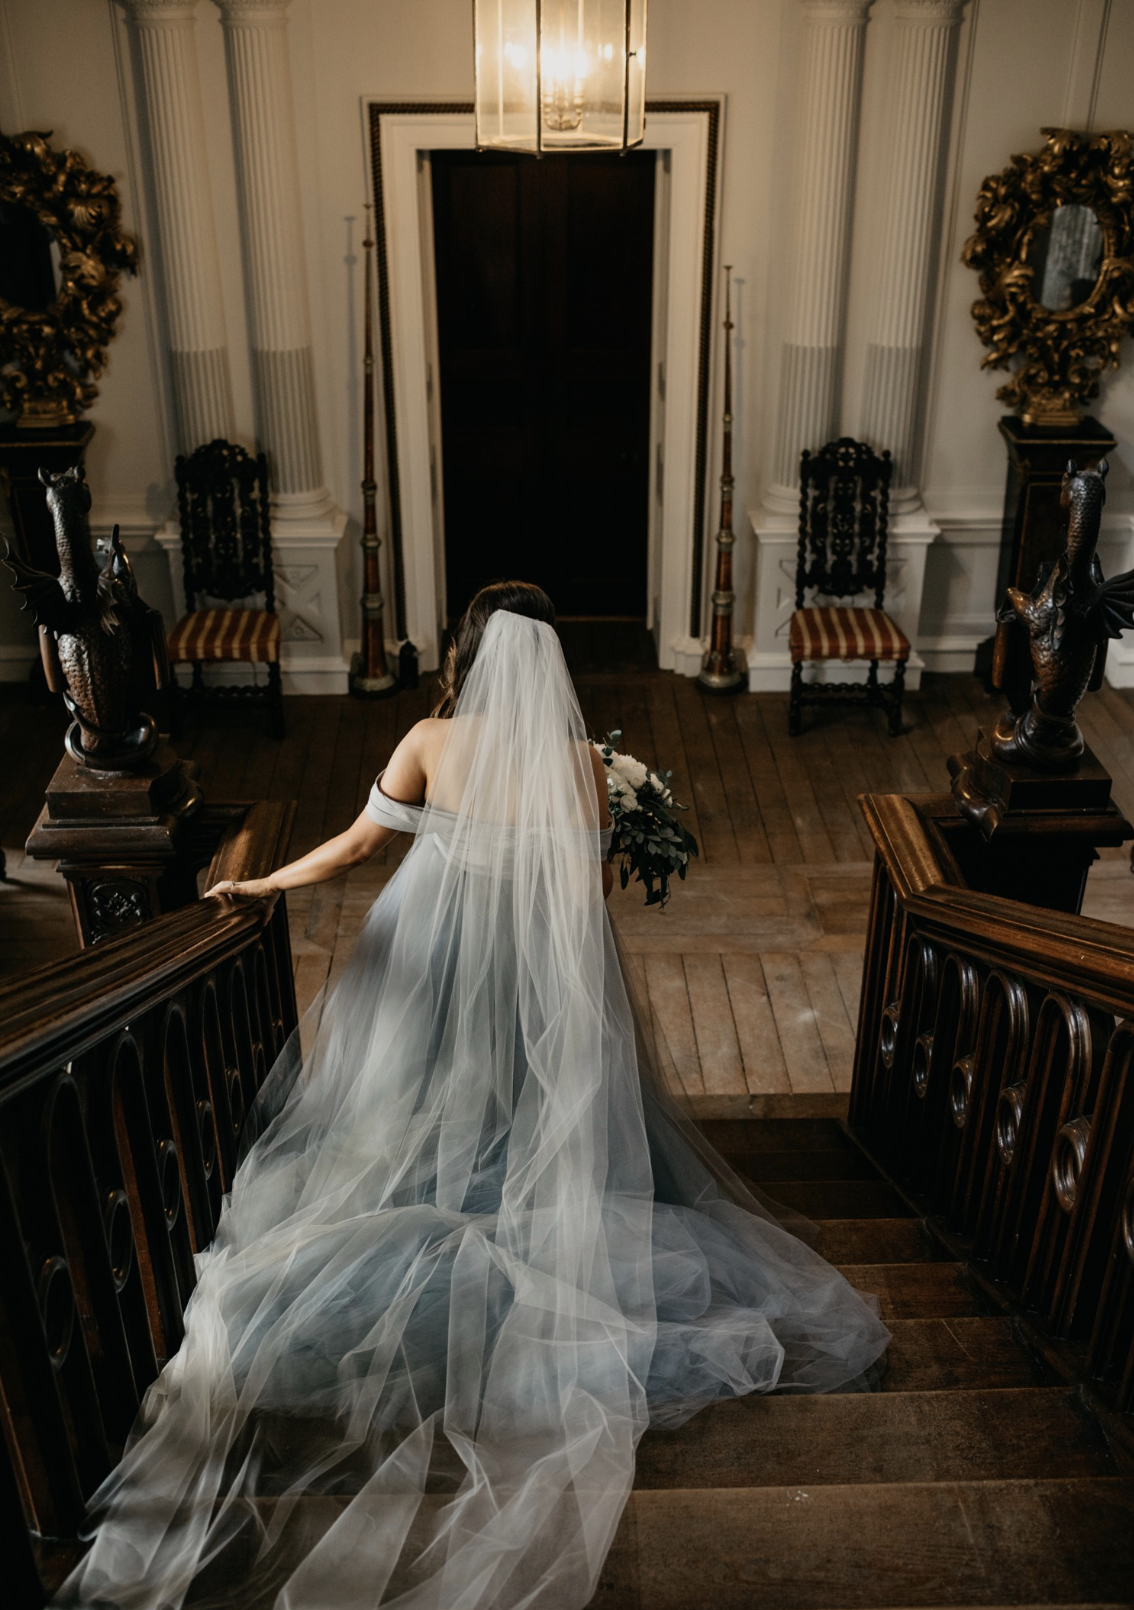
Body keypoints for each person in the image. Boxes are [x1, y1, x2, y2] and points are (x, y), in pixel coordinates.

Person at [56, 581, 889, 1610]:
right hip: (536, 976)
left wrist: (266, 886)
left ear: (465, 652)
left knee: (415, 1105)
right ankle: (522, 1204)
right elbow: (582, 899)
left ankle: (441, 1199)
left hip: (435, 956)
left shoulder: (429, 738)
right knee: (529, 1107)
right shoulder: (583, 762)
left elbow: (360, 847)